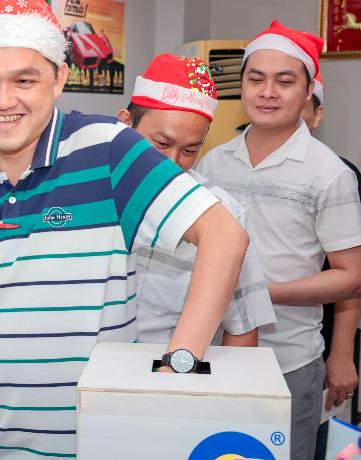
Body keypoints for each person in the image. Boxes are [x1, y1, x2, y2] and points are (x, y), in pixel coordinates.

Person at [0, 1, 250, 458]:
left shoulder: (107, 149)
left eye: (24, 80)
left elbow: (224, 235)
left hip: (96, 447)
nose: (3, 100)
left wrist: (177, 367)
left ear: (59, 79)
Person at [197, 20, 361, 459]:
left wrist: (259, 293)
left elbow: (353, 278)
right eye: (256, 79)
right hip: (212, 355)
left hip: (288, 362)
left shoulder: (328, 172)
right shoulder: (213, 163)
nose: (268, 92)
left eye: (285, 81)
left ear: (309, 91)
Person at [117, 53, 275, 347]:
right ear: (126, 123)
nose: (172, 163)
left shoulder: (221, 213)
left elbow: (242, 327)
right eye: (160, 144)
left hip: (172, 368)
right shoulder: (88, 186)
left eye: (189, 151)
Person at [303, 72, 361, 460]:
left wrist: (341, 354)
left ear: (317, 115)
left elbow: (351, 277)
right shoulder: (223, 163)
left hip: (314, 339)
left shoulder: (338, 175)